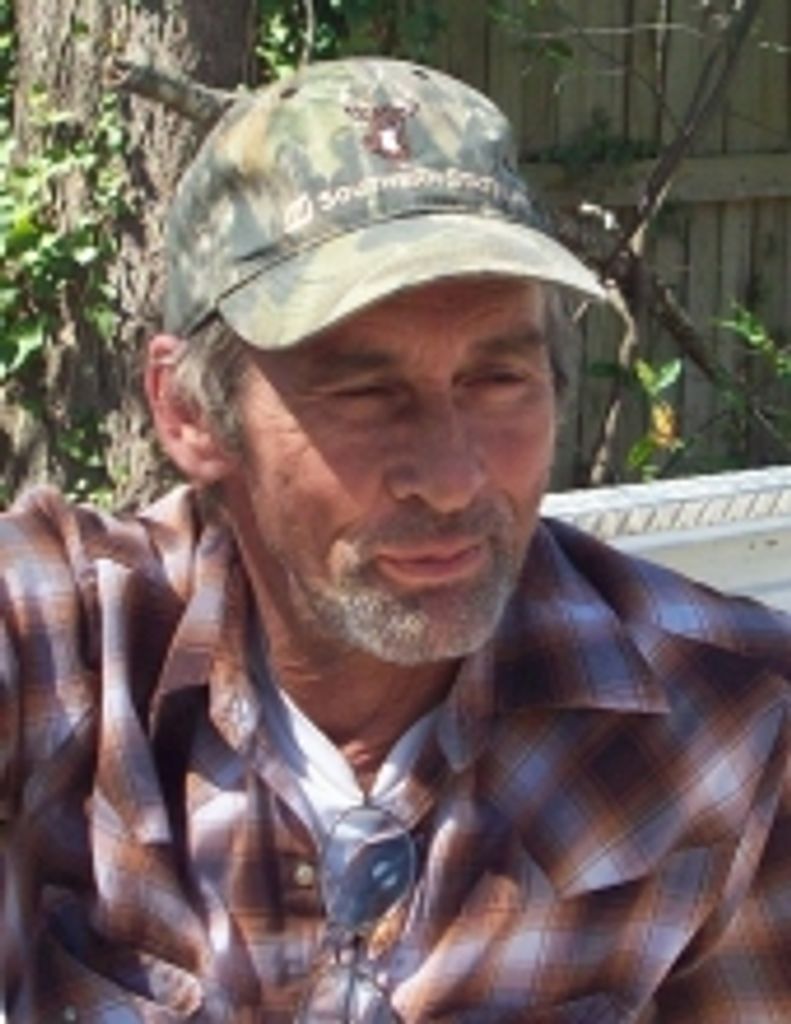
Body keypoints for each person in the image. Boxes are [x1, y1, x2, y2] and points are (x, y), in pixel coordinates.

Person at [1, 56, 789, 1024]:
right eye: (364, 393)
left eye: (496, 380)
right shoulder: (72, 648)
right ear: (188, 412)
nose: (452, 477)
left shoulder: (731, 725)